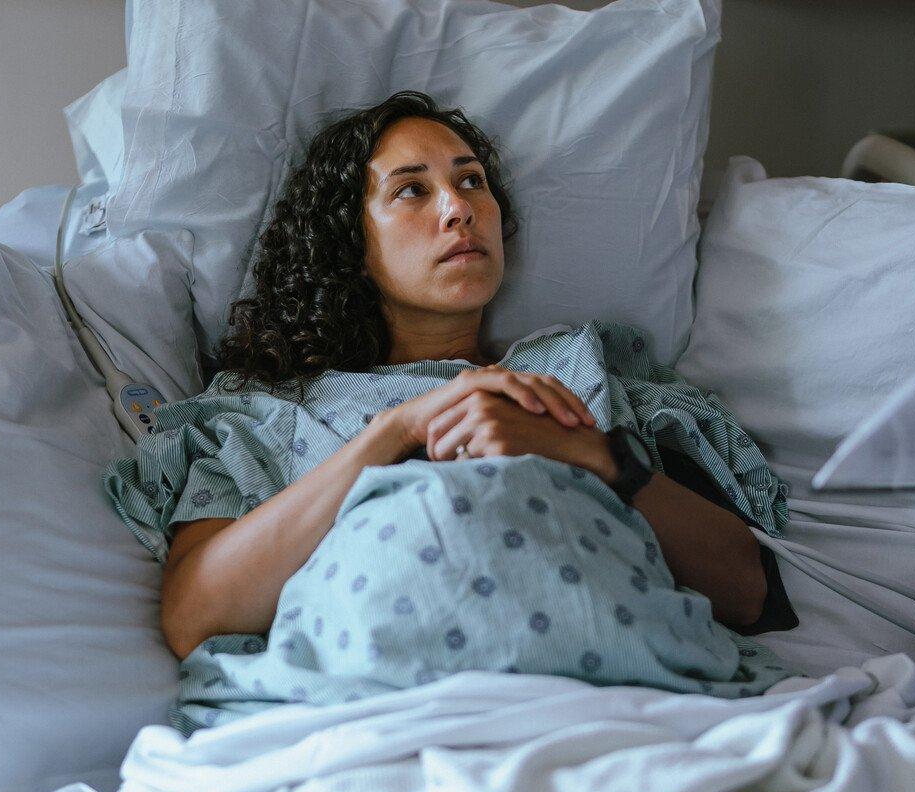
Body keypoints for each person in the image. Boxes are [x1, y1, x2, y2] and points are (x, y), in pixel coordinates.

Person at [104, 90, 799, 736]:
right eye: (412, 190)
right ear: (350, 241)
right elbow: (194, 614)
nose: (458, 208)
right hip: (372, 720)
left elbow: (743, 590)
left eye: (472, 182)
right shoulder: (267, 415)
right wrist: (398, 430)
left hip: (612, 709)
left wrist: (593, 455)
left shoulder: (580, 370)